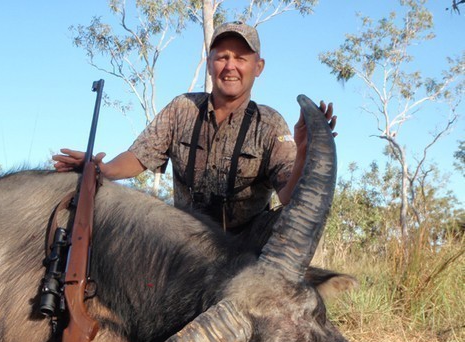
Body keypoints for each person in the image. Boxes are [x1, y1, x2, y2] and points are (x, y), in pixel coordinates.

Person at [54, 21, 336, 232]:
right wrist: (103, 170)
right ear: (210, 63)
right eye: (222, 56)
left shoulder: (270, 123)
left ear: (258, 67)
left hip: (245, 247)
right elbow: (140, 156)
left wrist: (303, 152)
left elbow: (288, 196)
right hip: (188, 243)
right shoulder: (182, 108)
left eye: (241, 58)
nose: (230, 66)